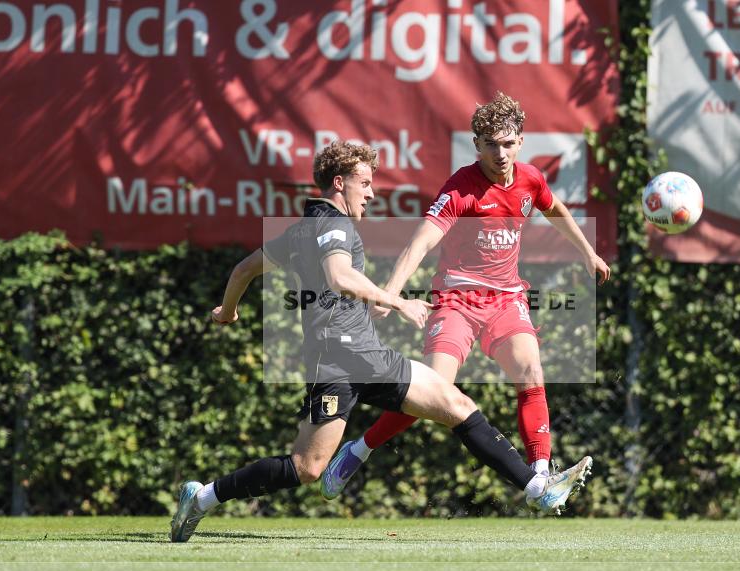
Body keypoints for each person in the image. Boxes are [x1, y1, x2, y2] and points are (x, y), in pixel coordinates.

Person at [170, 140, 592, 543]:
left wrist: (228, 310)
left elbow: (245, 268)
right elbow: (340, 276)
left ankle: (537, 487)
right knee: (307, 467)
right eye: (365, 183)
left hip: (367, 356)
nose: (371, 194)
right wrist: (396, 300)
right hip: (337, 360)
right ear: (339, 183)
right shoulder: (332, 225)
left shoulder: (302, 229)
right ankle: (203, 496)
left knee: (458, 405)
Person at [321, 92, 610, 501]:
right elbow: (419, 243)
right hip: (458, 299)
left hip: (507, 299)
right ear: (477, 145)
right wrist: (390, 294)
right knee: (435, 393)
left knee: (530, 370)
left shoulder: (530, 179)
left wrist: (588, 252)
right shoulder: (461, 188)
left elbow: (555, 209)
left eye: (508, 143)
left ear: (520, 142)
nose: (500, 153)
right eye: (490, 144)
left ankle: (542, 476)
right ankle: (357, 450)